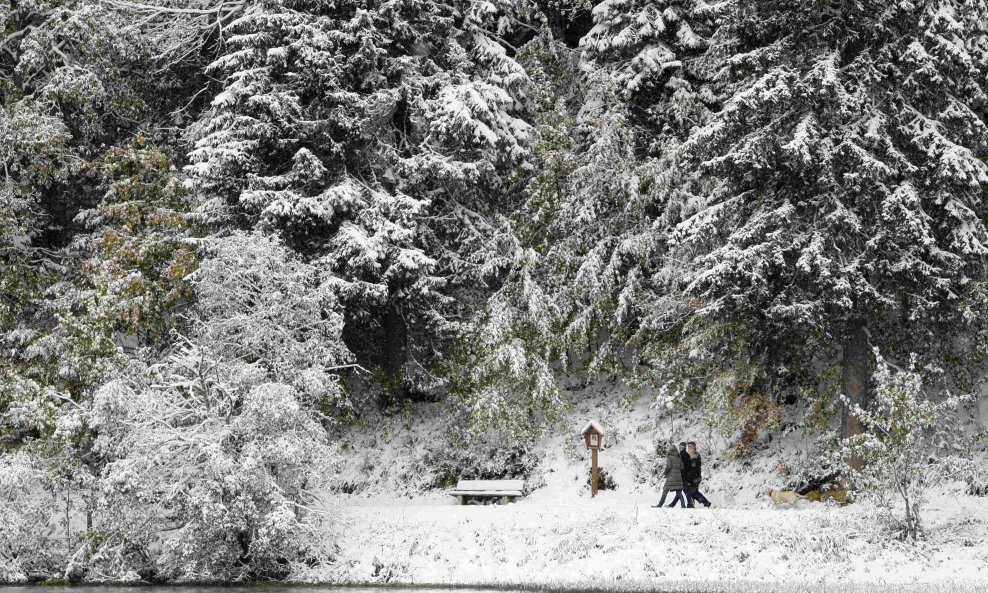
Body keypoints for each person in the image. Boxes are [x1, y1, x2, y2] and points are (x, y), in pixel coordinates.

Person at [653, 443, 687, 507]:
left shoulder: (670, 457)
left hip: (671, 477)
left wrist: (665, 472)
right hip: (678, 477)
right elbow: (682, 467)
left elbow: (668, 466)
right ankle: (683, 506)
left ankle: (659, 505)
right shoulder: (679, 457)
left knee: (665, 490)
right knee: (679, 493)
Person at [684, 441, 712, 508]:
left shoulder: (694, 455)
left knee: (688, 490)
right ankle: (706, 502)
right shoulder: (691, 455)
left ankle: (690, 504)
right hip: (695, 477)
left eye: (690, 446)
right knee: (694, 492)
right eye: (688, 447)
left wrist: (688, 478)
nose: (689, 448)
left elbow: (693, 468)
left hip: (694, 477)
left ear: (694, 447)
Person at [678, 441, 694, 507]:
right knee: (684, 490)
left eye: (680, 447)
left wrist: (683, 473)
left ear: (683, 448)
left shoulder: (684, 455)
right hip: (684, 475)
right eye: (679, 447)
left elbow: (685, 466)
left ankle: (690, 504)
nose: (679, 448)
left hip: (685, 476)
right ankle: (690, 503)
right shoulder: (682, 454)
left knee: (685, 490)